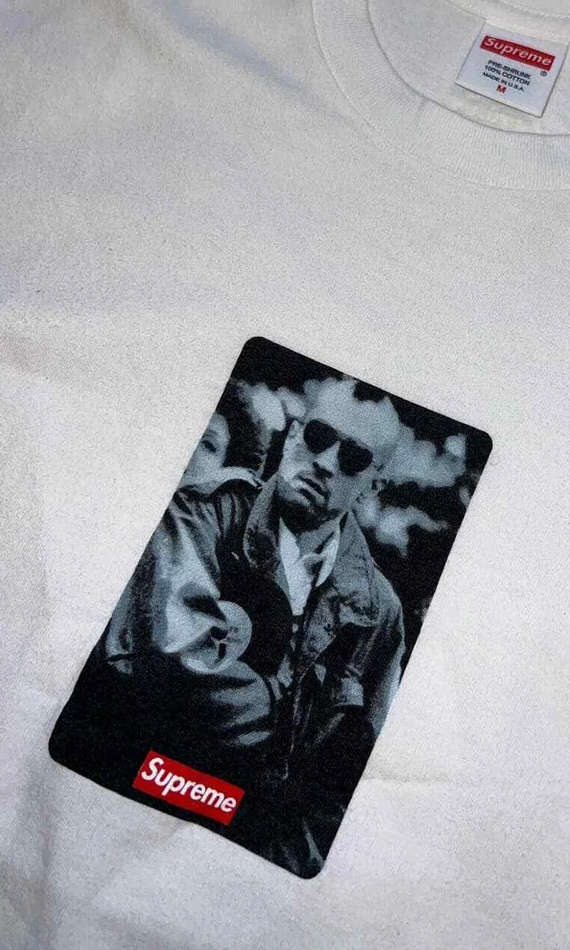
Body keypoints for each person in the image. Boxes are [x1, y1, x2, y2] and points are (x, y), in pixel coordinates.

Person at [49, 374, 407, 877]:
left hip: (249, 856)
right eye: (318, 437)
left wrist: (277, 866)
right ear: (294, 434)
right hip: (130, 795)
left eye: (353, 457)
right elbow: (174, 656)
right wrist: (287, 739)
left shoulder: (379, 612)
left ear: (375, 482)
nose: (325, 462)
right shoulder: (204, 512)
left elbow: (351, 778)